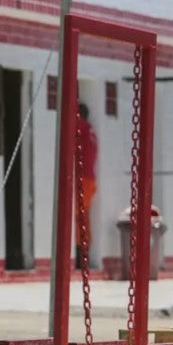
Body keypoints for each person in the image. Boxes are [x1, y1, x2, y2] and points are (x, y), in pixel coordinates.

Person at [76, 102, 98, 267]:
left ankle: (80, 257)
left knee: (78, 217)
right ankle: (84, 255)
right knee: (85, 218)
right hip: (90, 179)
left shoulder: (79, 127)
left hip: (81, 178)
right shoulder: (90, 130)